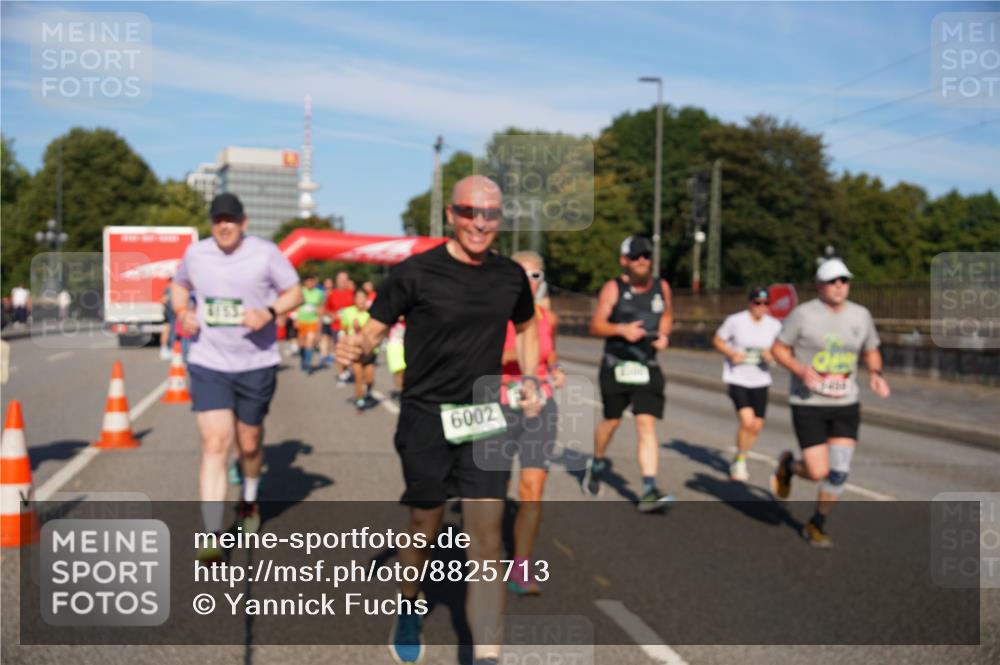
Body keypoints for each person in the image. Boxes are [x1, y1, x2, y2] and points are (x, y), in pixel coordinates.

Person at [337, 175, 540, 665]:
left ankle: (487, 657)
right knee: (424, 523)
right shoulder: (415, 273)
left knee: (487, 539)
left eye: (490, 214)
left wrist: (532, 377)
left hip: (483, 416)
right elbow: (373, 332)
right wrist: (356, 347)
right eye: (470, 212)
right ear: (451, 214)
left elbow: (528, 325)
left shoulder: (510, 276)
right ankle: (409, 602)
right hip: (426, 416)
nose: (480, 223)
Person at [172, 193, 302, 562]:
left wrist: (269, 312)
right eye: (218, 220)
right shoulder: (196, 254)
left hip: (256, 363)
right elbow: (179, 285)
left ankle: (249, 499)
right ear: (211, 224)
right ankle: (212, 532)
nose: (224, 226)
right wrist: (182, 312)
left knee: (249, 443)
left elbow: (296, 292)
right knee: (215, 443)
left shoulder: (265, 253)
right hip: (209, 361)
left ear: (243, 223)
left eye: (230, 219)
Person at [770, 258, 890, 548]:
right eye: (832, 281)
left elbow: (871, 349)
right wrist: (800, 370)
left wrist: (876, 373)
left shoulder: (861, 315)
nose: (839, 286)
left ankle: (817, 523)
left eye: (844, 281)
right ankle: (788, 467)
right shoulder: (803, 314)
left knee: (838, 471)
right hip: (808, 402)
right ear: (819, 285)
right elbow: (778, 348)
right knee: (817, 471)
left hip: (845, 402)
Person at [584, 236, 674, 512]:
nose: (642, 261)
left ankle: (649, 490)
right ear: (624, 261)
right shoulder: (613, 288)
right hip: (617, 366)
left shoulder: (661, 287)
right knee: (611, 422)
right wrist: (622, 330)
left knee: (645, 423)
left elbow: (667, 315)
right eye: (636, 257)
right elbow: (596, 326)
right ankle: (597, 463)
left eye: (646, 256)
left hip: (647, 365)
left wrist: (664, 335)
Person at [500, 250, 564, 596]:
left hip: (539, 405)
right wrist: (522, 353)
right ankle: (484, 552)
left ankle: (521, 566)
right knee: (492, 488)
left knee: (533, 487)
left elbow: (550, 353)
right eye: (521, 273)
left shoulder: (546, 317)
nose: (529, 281)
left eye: (536, 275)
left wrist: (555, 368)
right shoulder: (493, 313)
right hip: (498, 401)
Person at [713, 286, 783, 482]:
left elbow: (780, 349)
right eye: (757, 303)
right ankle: (741, 463)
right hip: (737, 378)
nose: (762, 307)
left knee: (757, 426)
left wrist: (771, 356)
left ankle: (740, 455)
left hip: (760, 379)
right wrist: (731, 353)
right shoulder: (736, 321)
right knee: (747, 421)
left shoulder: (774, 325)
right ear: (750, 303)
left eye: (766, 303)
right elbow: (718, 340)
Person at [339, 287, 378, 411]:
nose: (360, 300)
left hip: (370, 351)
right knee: (359, 376)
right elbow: (344, 329)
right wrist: (345, 343)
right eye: (358, 297)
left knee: (370, 378)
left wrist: (360, 328)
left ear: (366, 299)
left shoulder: (372, 313)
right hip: (355, 351)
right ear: (354, 299)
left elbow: (376, 332)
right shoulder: (348, 312)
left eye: (363, 297)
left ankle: (367, 391)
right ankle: (360, 400)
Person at [324, 271, 356, 385]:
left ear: (348, 281)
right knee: (339, 351)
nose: (342, 282)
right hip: (337, 327)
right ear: (336, 281)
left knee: (351, 351)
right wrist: (333, 315)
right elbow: (326, 309)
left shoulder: (353, 293)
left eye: (344, 280)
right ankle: (342, 374)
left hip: (351, 328)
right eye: (340, 280)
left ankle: (352, 371)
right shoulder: (332, 294)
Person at [295, 275, 323, 373]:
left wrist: (319, 322)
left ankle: (307, 364)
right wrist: (296, 319)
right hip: (301, 321)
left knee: (310, 342)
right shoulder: (301, 291)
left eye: (312, 281)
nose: (310, 283)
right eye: (308, 281)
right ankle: (303, 361)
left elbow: (320, 308)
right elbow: (296, 306)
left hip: (312, 321)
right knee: (302, 344)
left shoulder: (319, 293)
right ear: (305, 282)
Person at [386, 316, 406, 401]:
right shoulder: (392, 321)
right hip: (394, 346)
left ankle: (402, 389)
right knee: (398, 370)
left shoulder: (409, 321)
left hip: (405, 346)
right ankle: (400, 390)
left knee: (404, 371)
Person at [319, 277, 336, 366]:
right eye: (326, 282)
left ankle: (332, 355)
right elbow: (320, 306)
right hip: (325, 318)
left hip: (334, 319)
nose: (328, 284)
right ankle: (324, 355)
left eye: (330, 282)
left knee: (332, 338)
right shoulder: (321, 294)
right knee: (324, 337)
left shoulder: (335, 293)